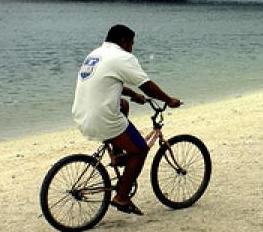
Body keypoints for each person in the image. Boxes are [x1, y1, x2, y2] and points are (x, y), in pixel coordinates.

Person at [72, 24, 181, 215]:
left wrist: (134, 95)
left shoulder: (96, 55)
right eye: (132, 43)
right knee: (140, 150)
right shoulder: (122, 57)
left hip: (82, 114)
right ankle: (122, 197)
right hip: (103, 119)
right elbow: (146, 85)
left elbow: (109, 81)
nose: (132, 47)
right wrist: (168, 100)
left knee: (123, 105)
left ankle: (117, 155)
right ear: (124, 41)